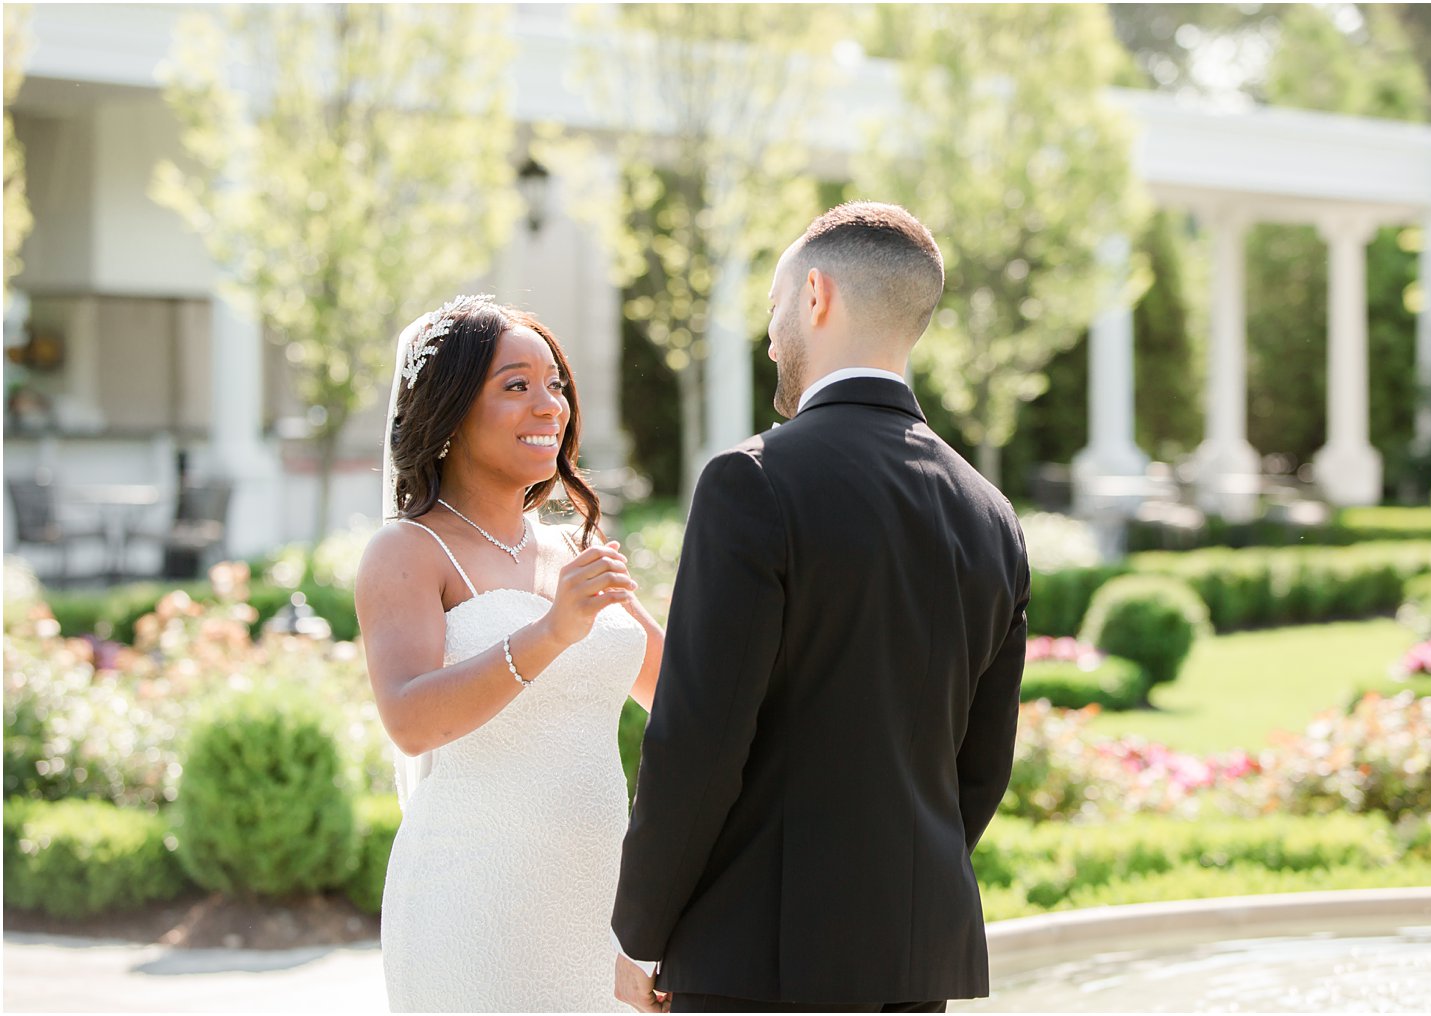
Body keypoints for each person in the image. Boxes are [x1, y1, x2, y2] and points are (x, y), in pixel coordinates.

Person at [611, 203, 1031, 1013]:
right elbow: (981, 768)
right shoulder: (990, 514)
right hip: (914, 965)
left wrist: (641, 931)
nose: (769, 336)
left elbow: (699, 741)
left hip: (757, 965)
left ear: (814, 296)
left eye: (772, 307)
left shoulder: (751, 480)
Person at [355, 295, 665, 1011]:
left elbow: (684, 697)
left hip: (598, 904)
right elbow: (411, 720)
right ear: (452, 408)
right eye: (516, 386)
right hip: (471, 900)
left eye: (555, 384)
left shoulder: (579, 550)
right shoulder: (407, 551)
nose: (549, 406)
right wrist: (551, 632)